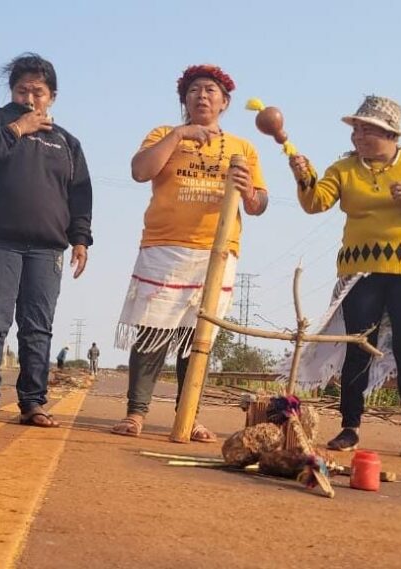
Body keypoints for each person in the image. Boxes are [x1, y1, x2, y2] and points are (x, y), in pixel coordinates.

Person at [289, 95, 401, 461]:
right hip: (360, 273)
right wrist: (304, 177)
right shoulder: (343, 168)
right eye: (357, 130)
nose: (359, 137)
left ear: (390, 134)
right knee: (358, 349)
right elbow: (316, 202)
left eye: (368, 130)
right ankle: (350, 428)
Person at [111, 64, 268, 440]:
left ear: (225, 102)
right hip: (165, 247)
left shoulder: (243, 148)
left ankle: (189, 415)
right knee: (153, 333)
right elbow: (139, 171)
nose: (202, 96)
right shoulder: (164, 134)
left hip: (217, 253)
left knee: (198, 340)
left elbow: (259, 204)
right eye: (195, 90)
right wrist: (180, 134)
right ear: (184, 99)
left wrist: (248, 191)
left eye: (211, 90)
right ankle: (136, 413)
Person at [0, 53, 93, 427]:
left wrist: (80, 239)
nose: (30, 98)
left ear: (52, 96)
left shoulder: (66, 142)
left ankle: (33, 402)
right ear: (12, 91)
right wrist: (18, 127)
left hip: (48, 247)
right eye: (23, 90)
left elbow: (80, 195)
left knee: (37, 326)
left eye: (38, 91)